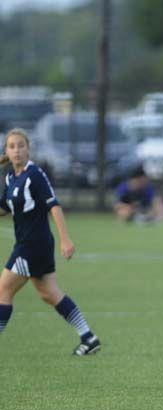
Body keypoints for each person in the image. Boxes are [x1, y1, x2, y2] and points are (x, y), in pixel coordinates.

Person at [0, 128, 101, 355]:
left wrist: (65, 240)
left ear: (28, 149)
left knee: (3, 290)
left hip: (33, 246)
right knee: (49, 293)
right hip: (30, 244)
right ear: (6, 150)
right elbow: (5, 208)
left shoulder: (34, 174)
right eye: (12, 146)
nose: (17, 150)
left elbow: (53, 205)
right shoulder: (10, 177)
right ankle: (89, 337)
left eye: (21, 145)